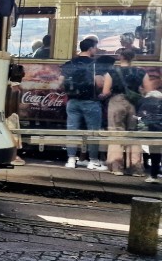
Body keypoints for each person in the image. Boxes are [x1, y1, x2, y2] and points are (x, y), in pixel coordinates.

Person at [61, 37, 106, 170]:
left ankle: (70, 159)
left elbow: (60, 81)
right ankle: (93, 161)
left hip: (73, 101)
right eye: (95, 47)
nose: (96, 50)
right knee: (93, 132)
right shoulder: (95, 64)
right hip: (90, 101)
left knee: (72, 131)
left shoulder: (69, 63)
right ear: (91, 48)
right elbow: (99, 83)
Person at [102, 48, 147, 175]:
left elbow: (105, 92)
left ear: (120, 57)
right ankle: (136, 168)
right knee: (133, 133)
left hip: (116, 102)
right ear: (133, 57)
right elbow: (147, 91)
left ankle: (116, 167)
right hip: (133, 104)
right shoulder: (140, 72)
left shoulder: (111, 72)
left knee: (116, 133)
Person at [139, 82, 162, 183]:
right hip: (157, 130)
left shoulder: (146, 104)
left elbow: (141, 117)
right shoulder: (159, 104)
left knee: (155, 154)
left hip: (153, 131)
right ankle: (154, 175)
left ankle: (154, 175)